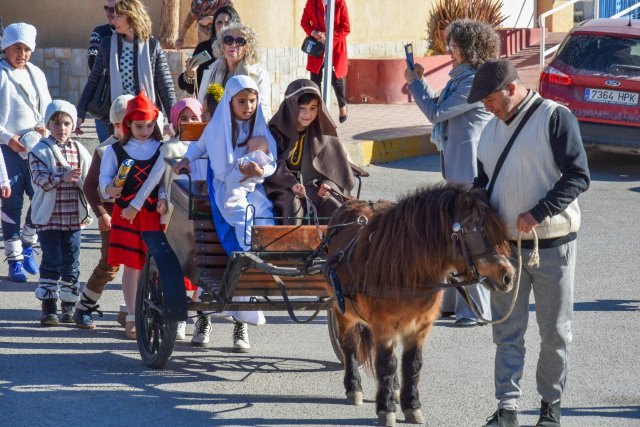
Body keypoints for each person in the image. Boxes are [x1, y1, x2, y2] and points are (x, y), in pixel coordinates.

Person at [468, 59, 590, 427]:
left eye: (489, 99)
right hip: (505, 250)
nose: (486, 107)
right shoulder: (489, 131)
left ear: (510, 88)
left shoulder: (555, 117)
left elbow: (578, 175)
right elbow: (483, 183)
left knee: (554, 331)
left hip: (551, 244)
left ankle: (550, 406)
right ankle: (507, 408)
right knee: (507, 330)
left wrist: (539, 212)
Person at [404, 19, 500, 327]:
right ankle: (453, 302)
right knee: (455, 235)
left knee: (471, 237)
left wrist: (414, 84)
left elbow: (435, 112)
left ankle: (474, 309)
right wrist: (421, 82)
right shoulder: (461, 78)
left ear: (469, 49)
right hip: (458, 167)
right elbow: (440, 105)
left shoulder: (473, 82)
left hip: (471, 169)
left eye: (454, 46)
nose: (450, 51)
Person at [173, 75, 276, 351]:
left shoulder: (259, 128)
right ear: (230, 102)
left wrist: (261, 170)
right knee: (241, 214)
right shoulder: (218, 127)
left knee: (264, 211)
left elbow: (271, 161)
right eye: (242, 101)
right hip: (225, 186)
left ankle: (263, 257)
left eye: (252, 101)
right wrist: (186, 160)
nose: (248, 107)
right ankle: (247, 255)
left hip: (252, 185)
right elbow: (200, 146)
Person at [99, 89, 168, 340]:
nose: (146, 130)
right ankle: (131, 315)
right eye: (140, 126)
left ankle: (155, 311)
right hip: (126, 214)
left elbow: (165, 183)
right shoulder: (115, 150)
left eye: (150, 125)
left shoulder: (162, 148)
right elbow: (103, 183)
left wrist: (162, 200)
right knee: (131, 266)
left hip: (152, 214)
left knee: (158, 266)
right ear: (128, 123)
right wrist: (110, 188)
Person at [28, 100, 92, 326]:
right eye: (56, 123)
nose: (61, 128)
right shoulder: (40, 150)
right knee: (51, 260)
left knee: (71, 261)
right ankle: (48, 306)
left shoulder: (79, 149)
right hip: (50, 218)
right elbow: (39, 181)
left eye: (66, 123)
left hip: (74, 217)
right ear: (48, 124)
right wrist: (61, 178)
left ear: (73, 125)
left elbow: (90, 178)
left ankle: (68, 305)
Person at [72, 95, 133, 329]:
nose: (125, 130)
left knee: (140, 265)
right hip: (112, 215)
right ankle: (84, 307)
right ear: (114, 124)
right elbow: (89, 185)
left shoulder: (144, 148)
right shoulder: (105, 149)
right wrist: (101, 214)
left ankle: (131, 310)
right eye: (121, 125)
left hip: (137, 214)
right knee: (110, 264)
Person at [76, 0, 176, 139]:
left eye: (118, 16)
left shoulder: (152, 46)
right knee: (114, 158)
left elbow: (165, 85)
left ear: (130, 17)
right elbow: (93, 80)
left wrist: (174, 118)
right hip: (116, 119)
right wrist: (80, 112)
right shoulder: (107, 44)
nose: (113, 20)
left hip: (145, 119)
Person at [0, 22, 51, 282]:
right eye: (16, 48)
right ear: (6, 48)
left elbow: (48, 108)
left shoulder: (36, 73)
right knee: (11, 202)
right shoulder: (1, 73)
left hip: (35, 147)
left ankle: (28, 244)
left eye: (27, 49)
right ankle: (14, 260)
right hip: (6, 149)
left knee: (42, 196)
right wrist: (9, 139)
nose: (22, 54)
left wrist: (47, 127)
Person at [265, 79, 354, 225]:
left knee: (333, 204)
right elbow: (271, 164)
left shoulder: (322, 133)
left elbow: (333, 168)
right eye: (302, 108)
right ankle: (293, 247)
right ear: (291, 106)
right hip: (285, 187)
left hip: (314, 186)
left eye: (313, 108)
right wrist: (291, 184)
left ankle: (329, 247)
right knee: (293, 207)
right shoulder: (275, 131)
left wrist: (327, 186)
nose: (308, 114)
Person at [195, 21, 271, 119]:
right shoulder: (211, 70)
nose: (234, 44)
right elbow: (201, 106)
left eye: (240, 41)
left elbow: (264, 114)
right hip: (215, 129)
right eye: (228, 40)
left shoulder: (259, 75)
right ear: (223, 46)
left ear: (247, 48)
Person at [300, 0, 350, 123]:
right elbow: (304, 22)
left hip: (335, 47)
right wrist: (314, 32)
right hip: (317, 48)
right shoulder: (312, 2)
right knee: (315, 81)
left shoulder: (339, 3)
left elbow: (346, 28)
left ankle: (342, 105)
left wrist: (328, 37)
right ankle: (318, 111)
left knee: (336, 80)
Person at [177, 5, 240, 95]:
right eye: (219, 22)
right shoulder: (204, 48)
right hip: (208, 106)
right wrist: (189, 74)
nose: (222, 27)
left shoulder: (240, 50)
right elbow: (188, 87)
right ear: (213, 25)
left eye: (227, 23)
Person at [86, 0, 117, 143]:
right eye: (107, 9)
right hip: (103, 100)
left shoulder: (134, 36)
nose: (109, 13)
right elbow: (93, 63)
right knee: (105, 149)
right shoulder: (99, 32)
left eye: (114, 9)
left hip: (127, 102)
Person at [224, 136, 273, 208]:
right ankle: (231, 202)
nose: (246, 150)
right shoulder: (265, 159)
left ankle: (231, 202)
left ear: (256, 149)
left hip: (243, 180)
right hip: (246, 181)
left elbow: (244, 167)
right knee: (236, 190)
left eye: (248, 147)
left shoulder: (255, 156)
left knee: (235, 191)